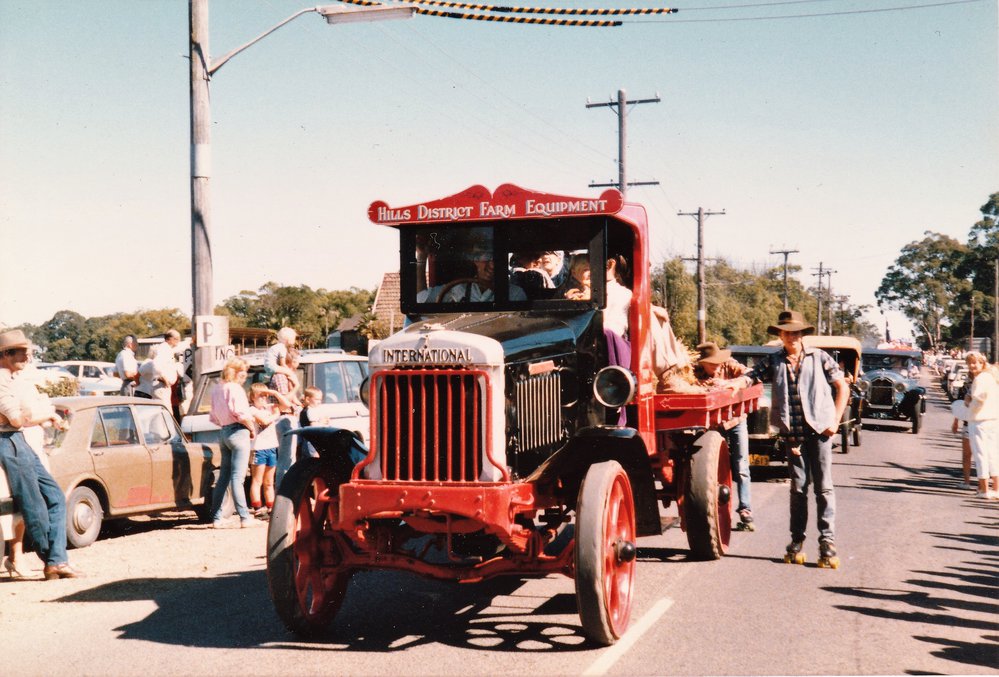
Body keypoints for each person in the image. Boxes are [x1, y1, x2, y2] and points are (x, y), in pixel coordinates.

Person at [740, 310, 848, 567]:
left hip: (819, 432)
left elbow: (842, 386)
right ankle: (796, 540)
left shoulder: (819, 357)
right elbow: (751, 376)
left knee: (823, 488)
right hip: (792, 436)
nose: (792, 337)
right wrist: (735, 383)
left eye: (796, 333)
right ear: (781, 335)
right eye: (787, 333)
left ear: (802, 335)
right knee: (798, 489)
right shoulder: (775, 360)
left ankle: (827, 542)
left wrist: (835, 420)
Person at [0, 329, 81, 579]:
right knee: (33, 505)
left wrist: (38, 416)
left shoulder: (13, 380)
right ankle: (52, 558)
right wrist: (42, 415)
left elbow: (19, 418)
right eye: (21, 352)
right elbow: (14, 418)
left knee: (55, 496)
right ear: (5, 354)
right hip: (7, 441)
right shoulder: (2, 381)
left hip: (17, 439)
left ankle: (56, 560)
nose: (27, 356)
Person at [695, 341, 754, 531]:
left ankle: (745, 509)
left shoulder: (730, 364)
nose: (717, 366)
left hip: (735, 419)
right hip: (712, 423)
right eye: (712, 364)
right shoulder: (693, 372)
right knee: (710, 467)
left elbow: (750, 375)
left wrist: (728, 383)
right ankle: (709, 508)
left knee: (741, 464)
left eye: (718, 362)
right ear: (702, 363)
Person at [207, 357, 263, 529]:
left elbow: (213, 417)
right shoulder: (235, 388)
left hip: (223, 432)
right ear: (238, 372)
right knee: (238, 478)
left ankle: (217, 518)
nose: (245, 377)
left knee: (224, 477)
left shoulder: (217, 388)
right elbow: (241, 413)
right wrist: (251, 428)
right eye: (244, 373)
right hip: (238, 431)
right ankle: (245, 517)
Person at [247, 383, 291, 519]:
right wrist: (276, 414)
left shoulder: (270, 407)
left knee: (269, 481)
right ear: (253, 397)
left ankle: (271, 507)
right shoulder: (252, 410)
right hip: (258, 448)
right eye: (260, 396)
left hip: (271, 447)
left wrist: (275, 393)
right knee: (257, 480)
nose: (263, 399)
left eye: (265, 396)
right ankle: (258, 508)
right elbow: (264, 421)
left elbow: (287, 405)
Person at [963, 352, 999, 499]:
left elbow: (980, 398)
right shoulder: (991, 377)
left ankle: (984, 489)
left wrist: (969, 402)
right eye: (970, 363)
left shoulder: (980, 379)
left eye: (975, 363)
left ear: (982, 363)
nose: (972, 366)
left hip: (979, 420)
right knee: (993, 454)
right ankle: (996, 488)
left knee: (980, 455)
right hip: (993, 419)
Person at [135, 330, 181, 405]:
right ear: (170, 339)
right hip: (161, 385)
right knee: (165, 411)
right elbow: (156, 364)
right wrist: (165, 379)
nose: (178, 341)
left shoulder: (167, 349)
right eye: (177, 339)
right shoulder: (164, 349)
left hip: (162, 386)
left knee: (165, 412)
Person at [298, 386, 326, 459]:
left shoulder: (310, 410)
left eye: (320, 399)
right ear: (308, 399)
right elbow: (314, 427)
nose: (319, 401)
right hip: (311, 441)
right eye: (317, 399)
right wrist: (322, 422)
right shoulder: (310, 411)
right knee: (315, 458)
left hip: (309, 440)